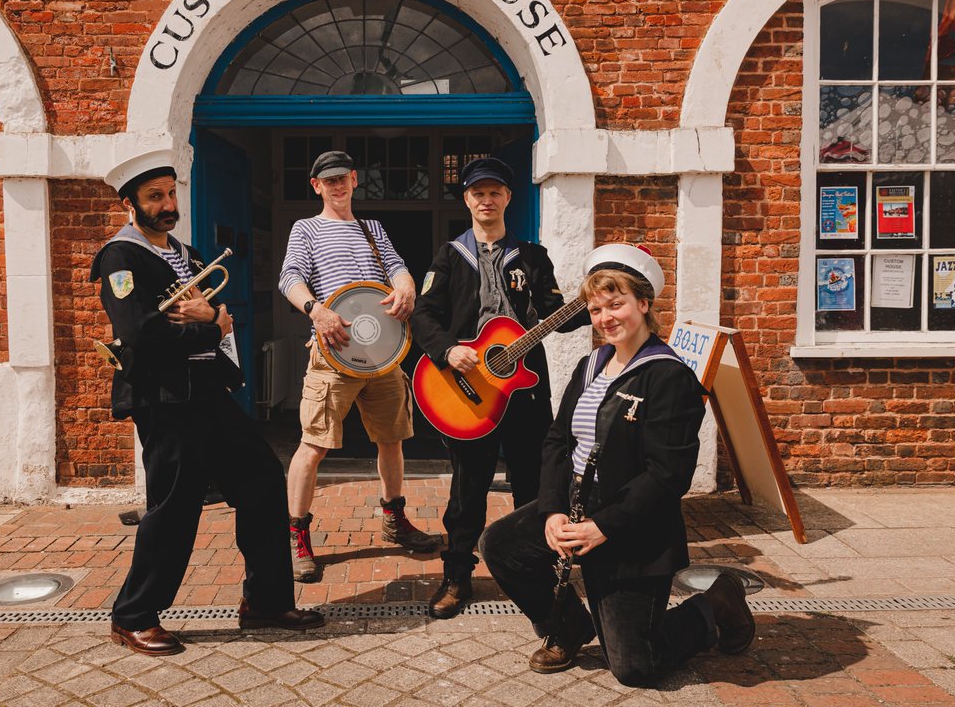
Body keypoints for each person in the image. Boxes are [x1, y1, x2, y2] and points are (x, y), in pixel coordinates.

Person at [479, 244, 755, 685]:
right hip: (574, 505)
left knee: (635, 667)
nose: (606, 317)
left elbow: (668, 475)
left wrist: (602, 526)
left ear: (643, 304)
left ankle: (715, 604)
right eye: (595, 308)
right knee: (501, 545)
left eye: (616, 303)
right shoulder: (592, 365)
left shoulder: (668, 376)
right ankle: (567, 627)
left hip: (632, 527)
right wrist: (551, 510)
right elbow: (557, 441)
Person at [92, 162, 324, 656]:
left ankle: (264, 601)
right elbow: (141, 334)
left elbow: (221, 312)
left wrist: (212, 319)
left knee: (263, 479)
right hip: (165, 399)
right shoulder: (120, 258)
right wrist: (210, 329)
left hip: (206, 391)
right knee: (175, 507)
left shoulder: (187, 254)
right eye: (154, 197)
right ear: (128, 204)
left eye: (170, 194)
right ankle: (132, 616)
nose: (168, 205)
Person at [409, 157, 589, 619]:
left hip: (525, 390)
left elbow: (555, 313)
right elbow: (423, 316)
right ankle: (457, 576)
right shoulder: (450, 255)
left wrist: (598, 304)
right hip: (468, 389)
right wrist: (447, 350)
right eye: (477, 193)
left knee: (534, 484)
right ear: (467, 200)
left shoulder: (533, 256)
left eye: (495, 192)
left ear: (508, 198)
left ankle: (536, 570)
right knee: (469, 487)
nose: (486, 200)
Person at [279, 150, 440, 582]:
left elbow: (396, 266)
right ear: (316, 186)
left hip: (382, 353)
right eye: (326, 181)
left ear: (354, 180)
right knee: (313, 445)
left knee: (392, 439)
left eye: (342, 179)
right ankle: (297, 536)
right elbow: (289, 277)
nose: (336, 186)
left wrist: (405, 286)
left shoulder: (372, 228)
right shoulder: (306, 228)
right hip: (332, 351)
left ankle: (394, 520)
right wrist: (316, 311)